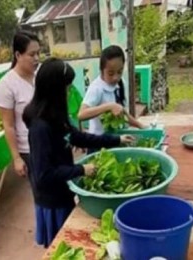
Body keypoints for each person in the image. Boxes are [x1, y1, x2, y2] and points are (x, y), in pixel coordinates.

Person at [23, 58, 135, 248]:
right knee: (61, 246)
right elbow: (44, 175)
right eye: (66, 89)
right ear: (53, 91)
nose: (68, 94)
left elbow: (79, 137)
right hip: (52, 199)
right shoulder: (40, 128)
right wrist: (81, 169)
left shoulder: (56, 117)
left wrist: (115, 140)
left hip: (64, 190)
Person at [0, 30, 40, 177]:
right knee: (42, 190)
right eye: (32, 55)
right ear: (18, 55)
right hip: (29, 149)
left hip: (49, 141)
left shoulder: (40, 75)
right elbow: (8, 125)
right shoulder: (6, 85)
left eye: (38, 53)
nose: (37, 59)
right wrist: (17, 158)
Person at [78, 45, 146, 138]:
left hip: (115, 139)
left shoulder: (121, 83)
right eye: (111, 73)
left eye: (120, 72)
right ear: (102, 70)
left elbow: (122, 113)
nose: (116, 77)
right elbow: (81, 115)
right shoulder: (96, 88)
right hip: (98, 141)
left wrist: (140, 126)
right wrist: (108, 106)